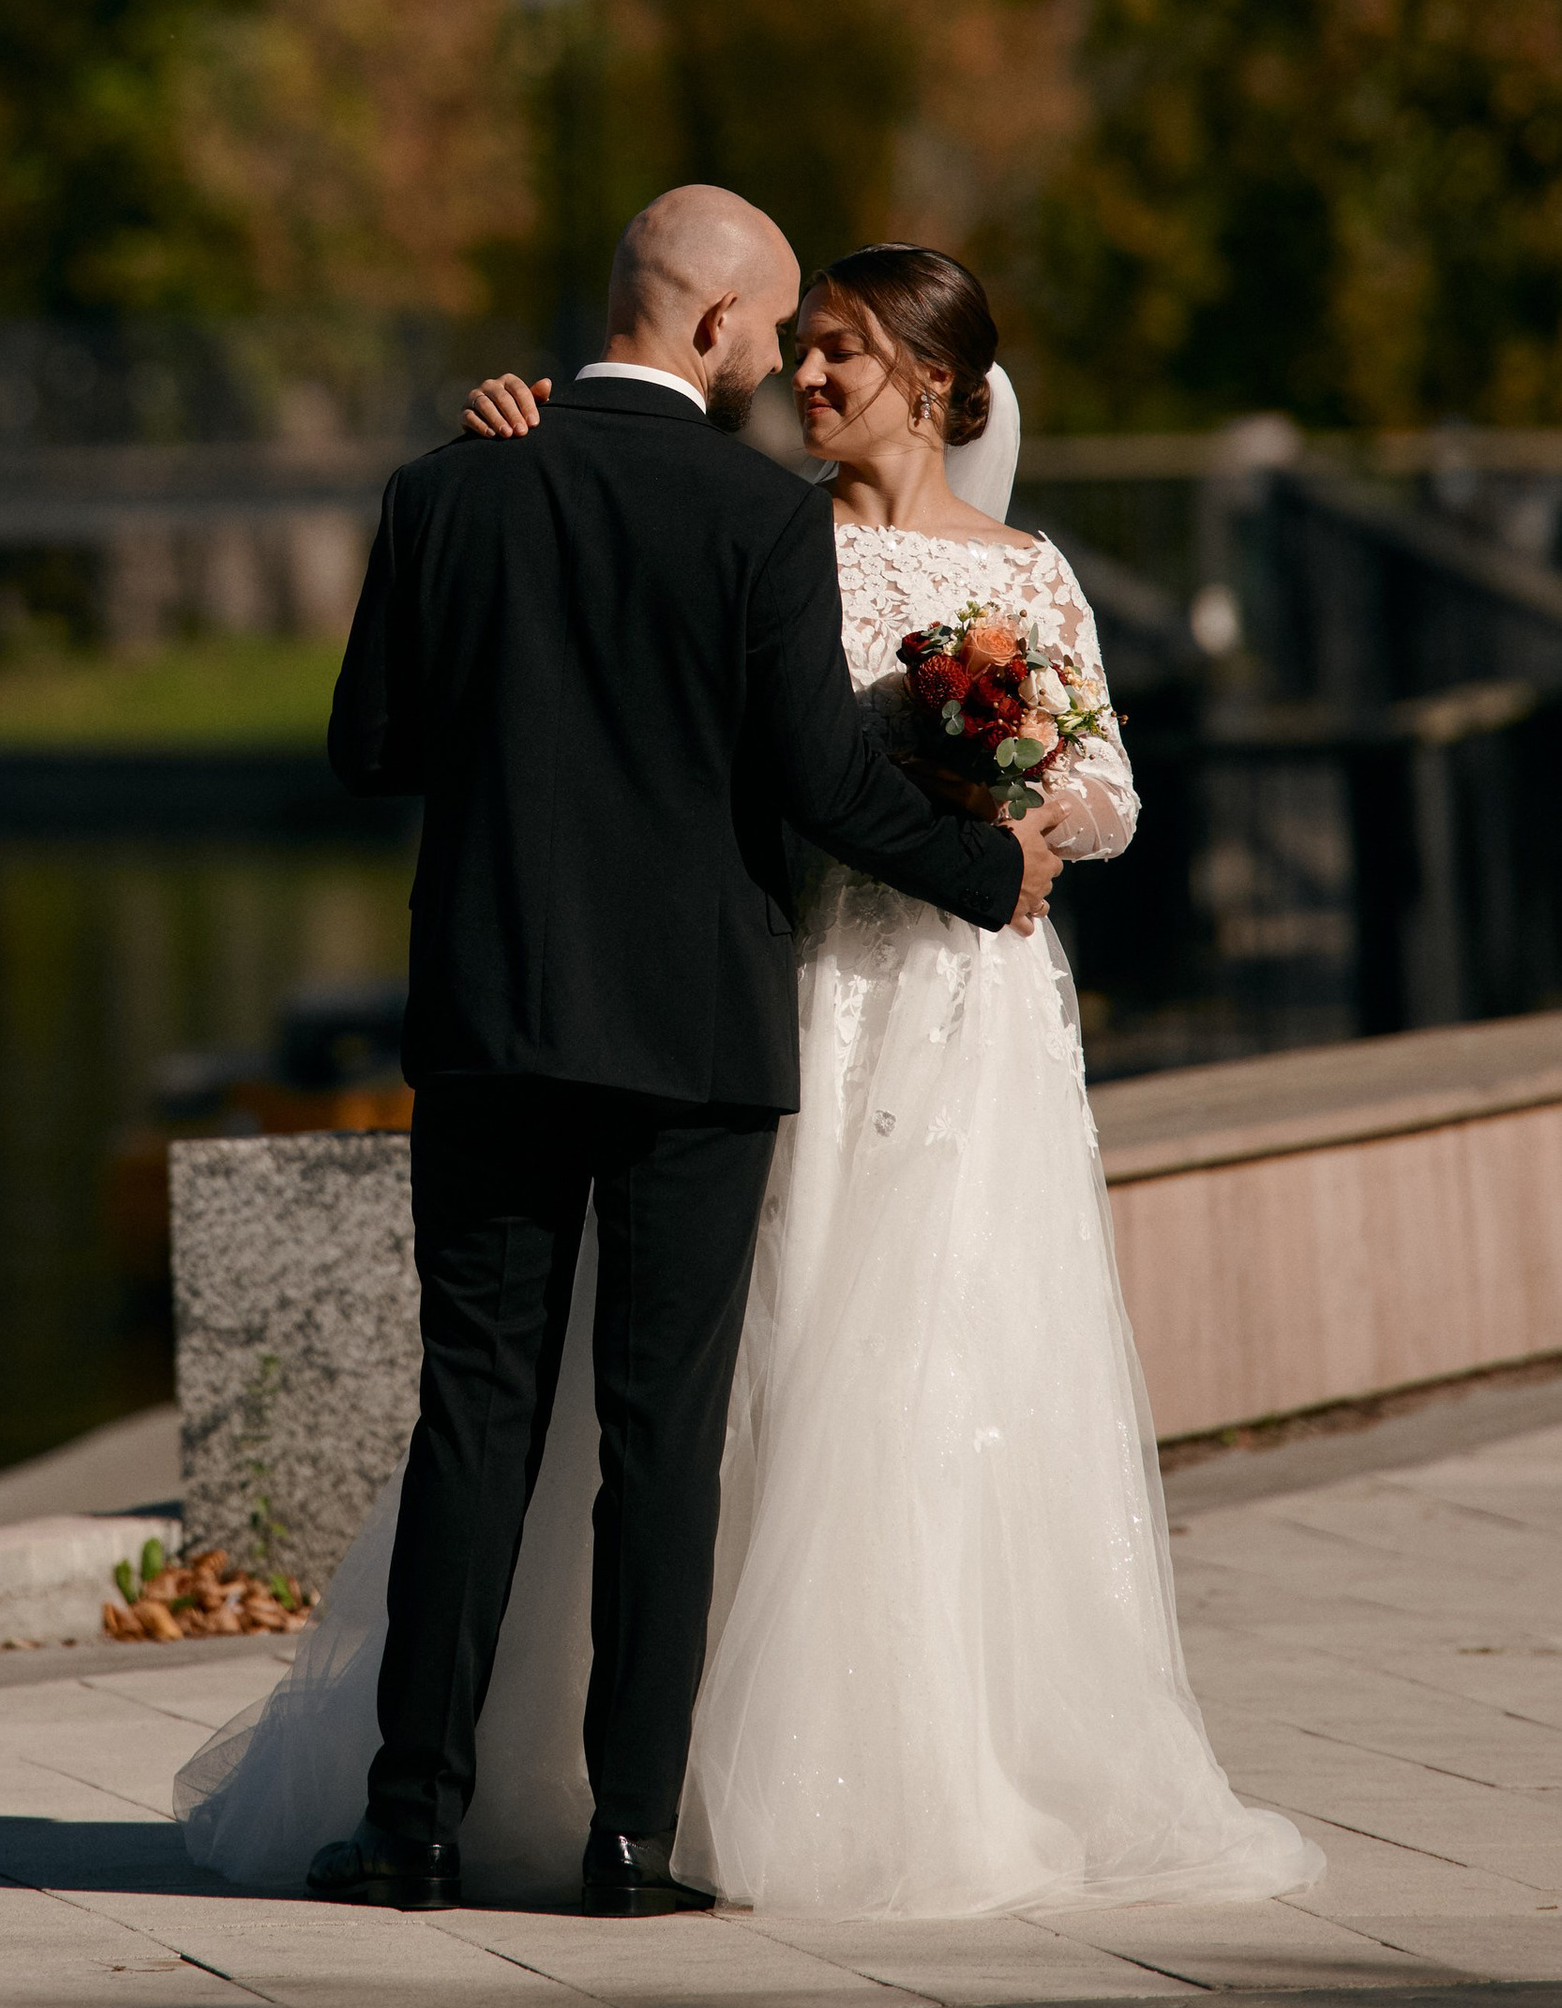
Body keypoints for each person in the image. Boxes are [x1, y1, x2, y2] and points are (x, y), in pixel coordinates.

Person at [178, 228, 1316, 1921]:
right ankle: (632, 1832)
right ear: (719, 320)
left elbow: (375, 747)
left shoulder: (459, 482)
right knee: (670, 1428)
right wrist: (981, 868)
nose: (800, 367)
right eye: (794, 333)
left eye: (838, 346)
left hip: (536, 1007)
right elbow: (809, 780)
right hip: (729, 1017)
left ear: (936, 378)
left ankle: (413, 1813)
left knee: (496, 1411)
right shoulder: (763, 520)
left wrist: (1007, 808)